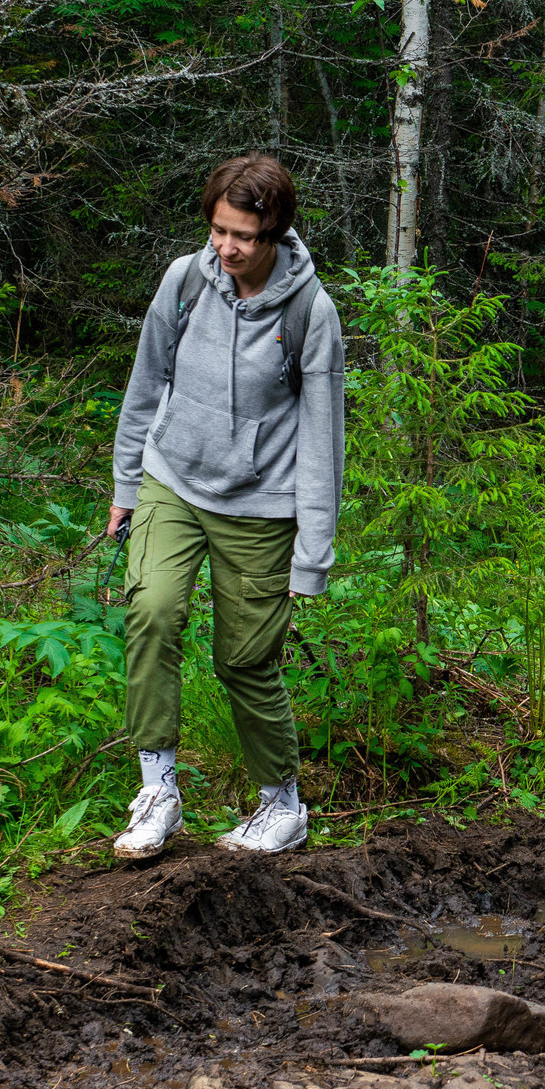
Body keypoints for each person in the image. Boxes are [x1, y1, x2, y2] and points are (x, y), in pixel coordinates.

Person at [104, 154, 346, 857]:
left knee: (245, 659)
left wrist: (313, 556)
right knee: (151, 611)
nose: (227, 247)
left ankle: (281, 804)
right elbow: (146, 380)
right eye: (218, 230)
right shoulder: (186, 280)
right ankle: (158, 790)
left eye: (242, 235)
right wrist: (125, 487)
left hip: (260, 505)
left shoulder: (310, 311)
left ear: (275, 232)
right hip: (172, 478)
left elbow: (323, 439)